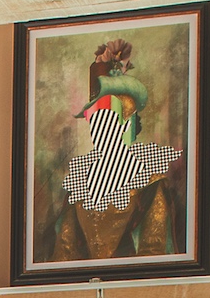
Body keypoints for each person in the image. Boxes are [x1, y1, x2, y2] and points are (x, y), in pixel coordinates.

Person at [50, 38, 184, 264]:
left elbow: (154, 249)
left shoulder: (149, 182)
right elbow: (65, 250)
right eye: (95, 124)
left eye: (110, 122)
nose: (100, 131)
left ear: (126, 126)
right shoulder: (80, 181)